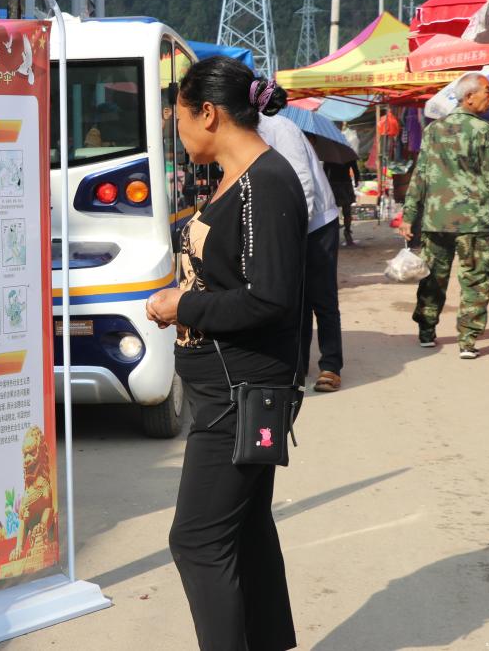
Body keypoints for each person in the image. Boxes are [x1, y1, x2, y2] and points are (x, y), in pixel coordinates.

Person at [146, 56, 305, 651]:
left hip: (240, 394)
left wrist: (183, 306)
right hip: (226, 388)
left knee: (198, 541)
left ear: (208, 113)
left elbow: (270, 298)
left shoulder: (266, 183)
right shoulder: (238, 180)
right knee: (244, 531)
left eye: (180, 118)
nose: (178, 130)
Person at [400, 72, 489, 359]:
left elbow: (420, 174)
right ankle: (467, 341)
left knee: (433, 277)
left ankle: (426, 331)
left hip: (436, 219)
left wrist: (409, 215)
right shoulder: (481, 130)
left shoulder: (434, 129)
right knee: (476, 279)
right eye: (487, 91)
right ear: (469, 97)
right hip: (473, 221)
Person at [257, 113, 345, 392]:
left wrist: (293, 233)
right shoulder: (246, 133)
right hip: (288, 224)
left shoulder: (280, 129)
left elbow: (302, 183)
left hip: (316, 223)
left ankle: (331, 365)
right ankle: (298, 364)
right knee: (297, 299)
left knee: (323, 297)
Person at [324, 158, 360, 246]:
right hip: (345, 184)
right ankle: (347, 232)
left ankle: (333, 233)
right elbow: (355, 169)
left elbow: (324, 171)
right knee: (347, 211)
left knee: (332, 211)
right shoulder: (347, 154)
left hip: (333, 184)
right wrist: (356, 180)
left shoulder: (329, 155)